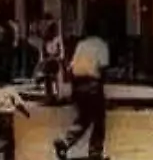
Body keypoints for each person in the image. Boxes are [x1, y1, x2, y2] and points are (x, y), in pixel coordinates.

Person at [53, 22, 111, 160]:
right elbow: (103, 68)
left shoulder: (81, 45)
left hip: (78, 84)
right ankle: (95, 151)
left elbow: (72, 67)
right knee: (99, 120)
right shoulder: (101, 45)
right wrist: (101, 89)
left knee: (84, 118)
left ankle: (66, 142)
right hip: (92, 85)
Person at [0, 85, 30, 160]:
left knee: (5, 140)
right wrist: (26, 113)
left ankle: (6, 157)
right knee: (7, 141)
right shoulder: (10, 90)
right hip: (6, 116)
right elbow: (18, 104)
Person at [40, 23, 66, 106]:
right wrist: (43, 60)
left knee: (58, 79)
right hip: (48, 60)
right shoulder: (46, 39)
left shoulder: (58, 39)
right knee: (47, 79)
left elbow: (62, 51)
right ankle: (49, 97)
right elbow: (43, 51)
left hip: (56, 60)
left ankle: (59, 97)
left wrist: (59, 57)